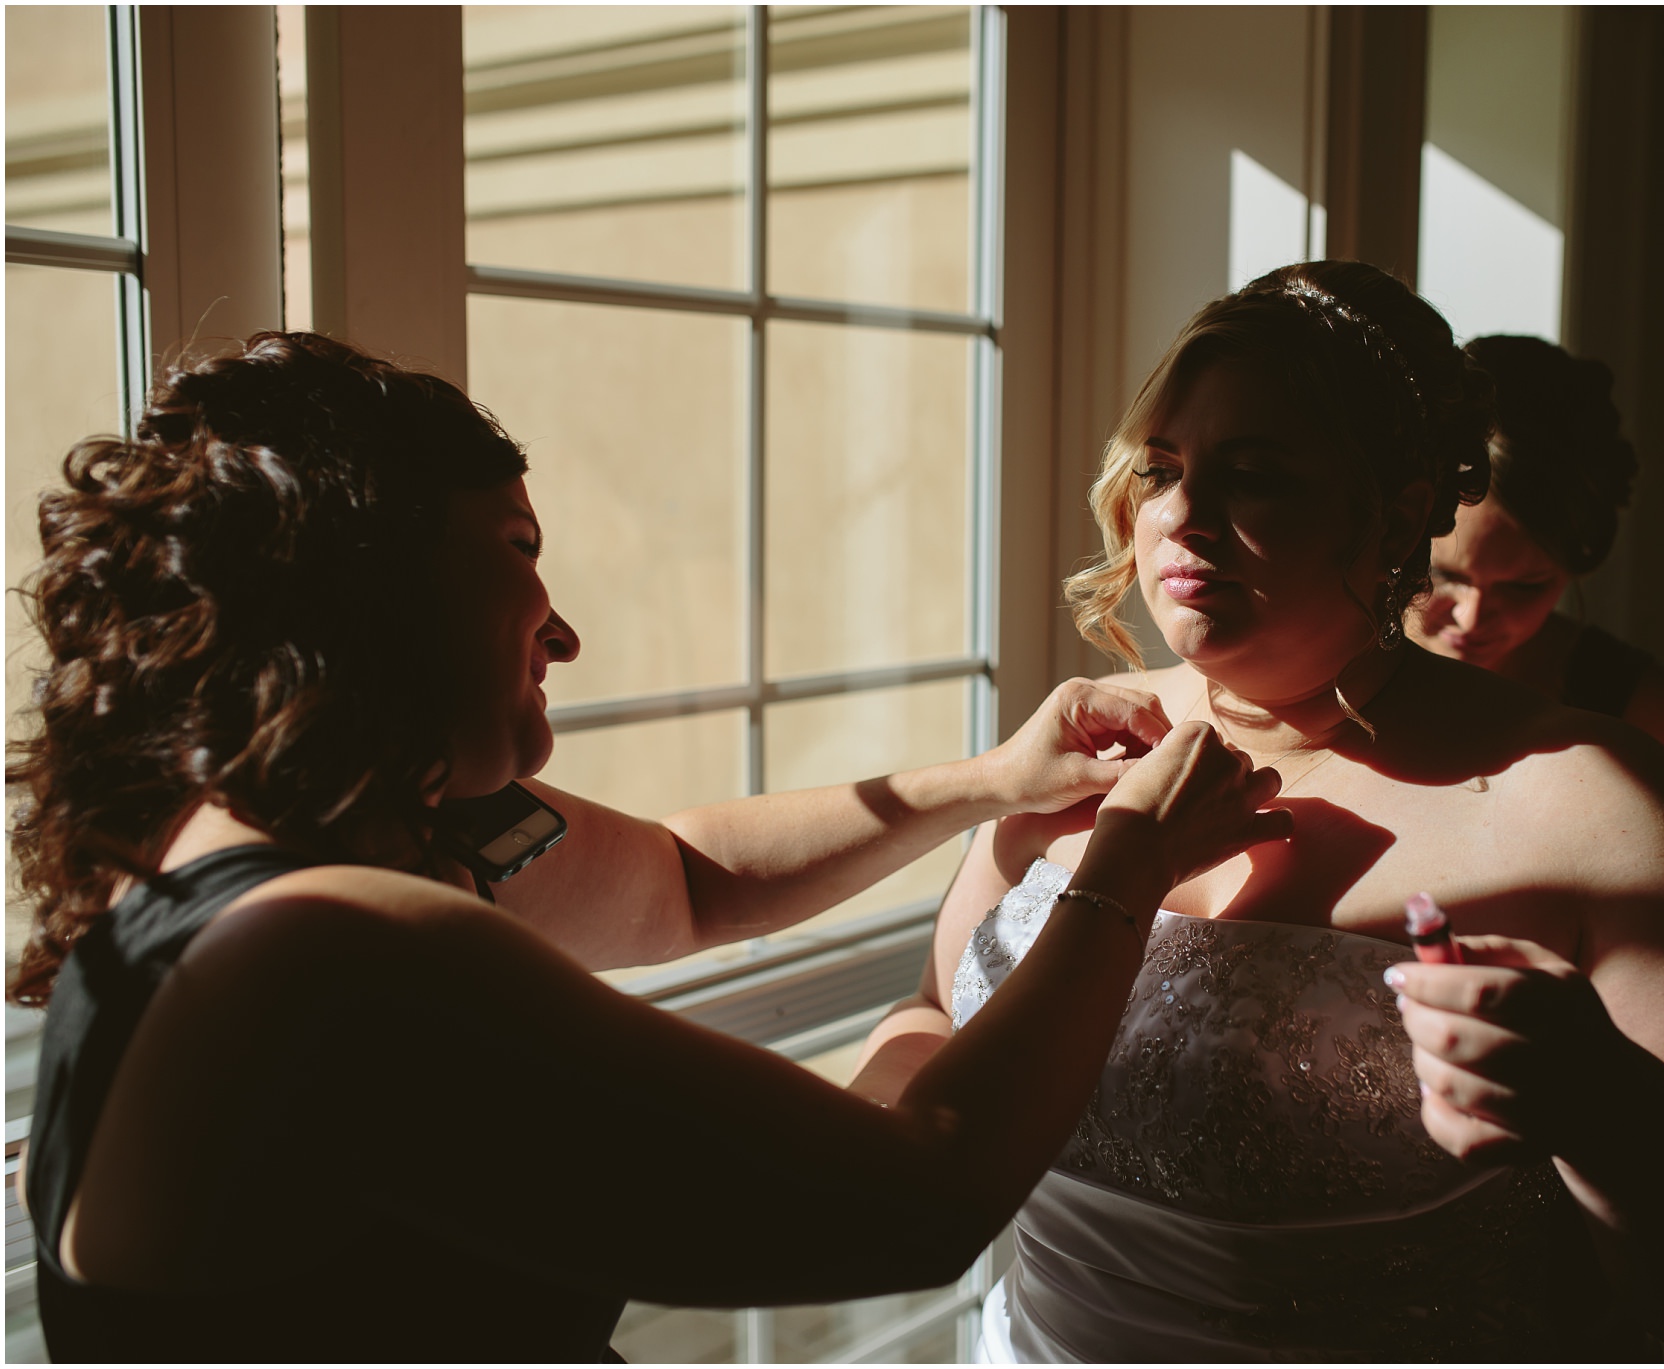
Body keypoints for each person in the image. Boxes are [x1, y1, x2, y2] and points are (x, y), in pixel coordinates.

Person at [7, 331, 1292, 1362]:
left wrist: (991, 781)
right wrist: (1124, 864)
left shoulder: (298, 834)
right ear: (372, 584)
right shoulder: (321, 950)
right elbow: (917, 1200)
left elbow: (685, 879)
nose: (560, 633)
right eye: (518, 553)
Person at [853, 261, 1664, 1360]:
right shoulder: (1081, 741)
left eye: (1258, 476)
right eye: (1161, 467)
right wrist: (878, 1160)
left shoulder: (1589, 810)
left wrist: (1608, 1109)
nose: (1182, 517)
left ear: (1394, 515)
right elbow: (933, 1009)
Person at [1409, 333, 1664, 765]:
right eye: (1441, 574)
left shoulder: (1636, 713)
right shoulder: (1317, 674)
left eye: (1524, 586)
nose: (1472, 618)